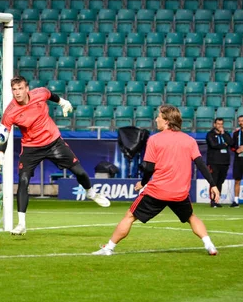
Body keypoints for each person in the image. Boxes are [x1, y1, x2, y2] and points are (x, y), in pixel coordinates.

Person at [93, 105, 220, 256]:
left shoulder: (154, 140)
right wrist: (213, 184)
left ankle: (108, 248)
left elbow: (149, 168)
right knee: (191, 217)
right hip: (179, 193)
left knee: (130, 216)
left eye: (159, 116)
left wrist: (143, 183)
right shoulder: (189, 140)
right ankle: (210, 245)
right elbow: (200, 164)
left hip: (157, 191)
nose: (156, 119)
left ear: (166, 120)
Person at [0, 75, 110, 236]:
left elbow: (51, 95)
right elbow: (4, 134)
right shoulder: (10, 112)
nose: (18, 92)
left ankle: (90, 192)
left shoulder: (40, 93)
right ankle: (21, 224)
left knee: (80, 172)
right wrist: (0, 154)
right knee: (23, 181)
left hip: (53, 142)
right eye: (14, 89)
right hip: (31, 148)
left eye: (20, 88)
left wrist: (63, 102)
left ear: (27, 89)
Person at [205, 117, 232, 208]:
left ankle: (217, 199)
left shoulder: (225, 134)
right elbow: (213, 145)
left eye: (221, 124)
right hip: (214, 161)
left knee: (220, 181)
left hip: (224, 162)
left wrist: (223, 134)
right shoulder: (210, 134)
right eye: (218, 124)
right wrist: (224, 144)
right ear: (214, 124)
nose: (220, 126)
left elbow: (231, 142)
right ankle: (212, 201)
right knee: (214, 181)